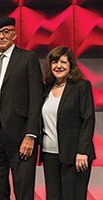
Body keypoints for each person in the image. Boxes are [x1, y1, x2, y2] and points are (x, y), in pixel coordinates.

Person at [0, 17, 43, 200]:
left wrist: (31, 135)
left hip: (20, 135)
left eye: (6, 31)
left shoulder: (27, 58)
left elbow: (36, 98)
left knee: (23, 189)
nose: (1, 36)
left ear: (14, 34)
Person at [41, 46, 96, 200]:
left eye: (63, 62)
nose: (58, 66)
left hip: (75, 155)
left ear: (71, 65)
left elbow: (88, 119)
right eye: (55, 62)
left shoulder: (81, 87)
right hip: (49, 154)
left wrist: (83, 152)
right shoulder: (46, 89)